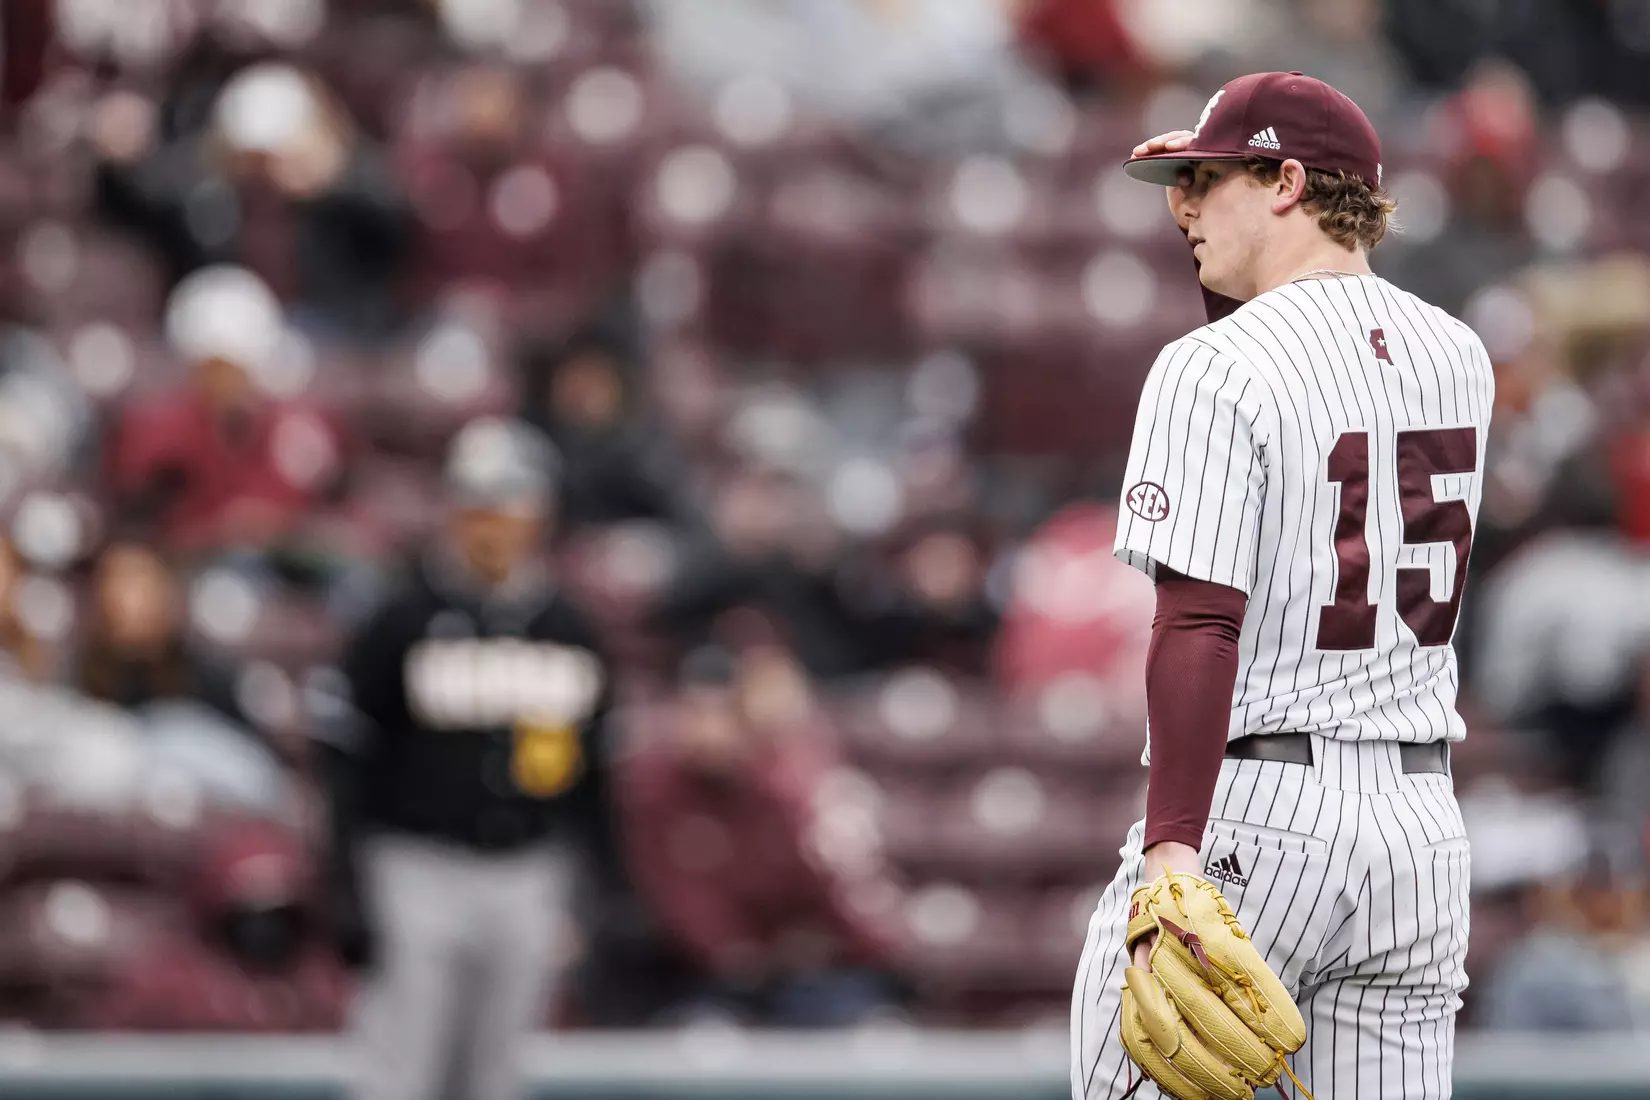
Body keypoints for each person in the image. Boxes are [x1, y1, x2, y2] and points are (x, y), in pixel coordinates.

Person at [1070, 72, 1492, 1098]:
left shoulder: (1211, 365)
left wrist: (1173, 845)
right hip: (1420, 831)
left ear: (1286, 181)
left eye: (1207, 179)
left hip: (1256, 809)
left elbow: (1202, 617)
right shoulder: (1460, 352)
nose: (1182, 205)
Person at [311, 417, 616, 1100]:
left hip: (530, 872)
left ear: (540, 514)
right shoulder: (400, 621)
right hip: (417, 866)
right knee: (401, 1072)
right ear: (453, 511)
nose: (493, 526)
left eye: (509, 507)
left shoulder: (569, 630)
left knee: (498, 1078)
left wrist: (597, 891)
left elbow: (592, 773)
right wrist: (345, 883)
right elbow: (345, 757)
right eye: (478, 507)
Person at [618, 645, 898, 1027]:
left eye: (721, 713)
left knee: (864, 1031)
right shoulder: (656, 784)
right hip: (710, 978)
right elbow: (681, 900)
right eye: (695, 713)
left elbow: (851, 899)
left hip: (824, 970)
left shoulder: (798, 781)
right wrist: (743, 957)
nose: (707, 729)